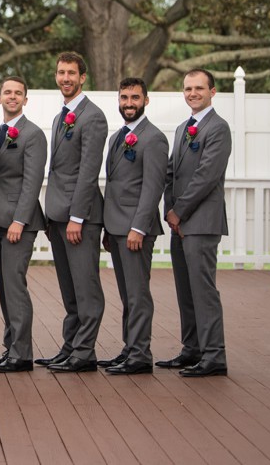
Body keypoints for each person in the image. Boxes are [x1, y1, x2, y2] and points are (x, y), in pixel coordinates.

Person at [38, 52, 108, 373]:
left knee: (86, 287)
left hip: (81, 219)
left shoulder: (92, 116)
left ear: (83, 77)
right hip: (59, 217)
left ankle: (84, 353)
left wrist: (77, 217)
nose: (65, 77)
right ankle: (70, 346)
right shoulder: (60, 116)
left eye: (71, 73)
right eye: (61, 72)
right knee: (69, 290)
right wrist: (54, 216)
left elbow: (88, 171)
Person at [161, 69, 231, 377]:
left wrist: (180, 211)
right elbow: (171, 172)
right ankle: (191, 349)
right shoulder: (182, 128)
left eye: (199, 88)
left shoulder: (218, 128)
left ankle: (214, 355)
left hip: (202, 222)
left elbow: (206, 176)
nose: (192, 93)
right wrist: (169, 209)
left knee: (203, 290)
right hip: (179, 222)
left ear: (212, 92)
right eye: (188, 88)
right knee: (185, 290)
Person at [100, 78, 168, 375]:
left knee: (138, 293)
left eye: (135, 98)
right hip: (116, 228)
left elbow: (153, 188)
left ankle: (140, 354)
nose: (129, 103)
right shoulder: (118, 137)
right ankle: (130, 348)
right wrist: (107, 228)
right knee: (127, 293)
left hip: (135, 230)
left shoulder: (153, 138)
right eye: (125, 97)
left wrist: (138, 228)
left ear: (146, 100)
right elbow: (115, 185)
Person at [0, 77, 46, 373]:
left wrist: (19, 220)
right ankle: (11, 348)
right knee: (5, 287)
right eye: (7, 92)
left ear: (25, 98)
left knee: (15, 286)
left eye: (18, 93)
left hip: (17, 223)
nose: (12, 97)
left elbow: (32, 182)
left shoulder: (32, 134)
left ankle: (22, 354)